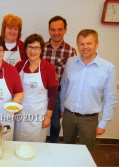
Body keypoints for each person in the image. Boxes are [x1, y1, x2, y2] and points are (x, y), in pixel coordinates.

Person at [60, 29, 118, 153]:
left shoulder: (108, 68)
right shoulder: (71, 63)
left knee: (86, 153)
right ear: (77, 45)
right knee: (67, 149)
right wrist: (61, 108)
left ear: (97, 44)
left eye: (89, 43)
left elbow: (111, 98)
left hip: (89, 120)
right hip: (69, 116)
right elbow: (64, 86)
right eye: (81, 44)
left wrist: (103, 123)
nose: (85, 47)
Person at [14, 34, 58, 142]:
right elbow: (13, 89)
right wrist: (13, 110)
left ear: (41, 50)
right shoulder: (19, 65)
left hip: (39, 112)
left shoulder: (48, 68)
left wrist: (48, 116)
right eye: (29, 47)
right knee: (18, 141)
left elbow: (53, 95)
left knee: (36, 144)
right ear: (25, 49)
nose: (32, 51)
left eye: (36, 47)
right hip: (21, 111)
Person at [43, 15, 77, 143]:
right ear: (49, 30)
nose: (56, 33)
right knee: (35, 119)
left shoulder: (71, 51)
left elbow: (72, 76)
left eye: (60, 29)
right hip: (40, 92)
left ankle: (53, 145)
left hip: (58, 93)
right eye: (53, 29)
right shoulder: (40, 49)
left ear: (65, 30)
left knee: (56, 124)